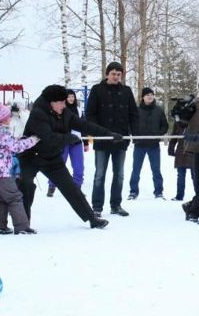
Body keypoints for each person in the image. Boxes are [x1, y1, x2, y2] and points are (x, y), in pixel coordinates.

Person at [18, 84, 118, 229]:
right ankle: (23, 223)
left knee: (71, 188)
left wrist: (108, 134)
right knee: (25, 185)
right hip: (31, 156)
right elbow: (48, 137)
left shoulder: (64, 113)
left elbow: (84, 125)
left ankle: (92, 219)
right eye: (62, 102)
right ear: (52, 102)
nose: (64, 105)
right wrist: (68, 138)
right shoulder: (38, 114)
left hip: (51, 157)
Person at [85, 62, 139, 216]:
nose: (116, 77)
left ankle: (116, 205)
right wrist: (97, 132)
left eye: (119, 74)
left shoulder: (126, 91)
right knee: (100, 174)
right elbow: (90, 114)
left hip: (121, 140)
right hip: (102, 140)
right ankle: (96, 207)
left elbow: (133, 115)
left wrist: (134, 135)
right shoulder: (97, 90)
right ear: (107, 74)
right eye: (113, 73)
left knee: (119, 174)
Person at [0, 99, 40, 234]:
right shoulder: (2, 133)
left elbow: (6, 145)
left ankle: (0, 226)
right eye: (7, 117)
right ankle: (22, 226)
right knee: (14, 197)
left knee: (1, 198)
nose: (9, 119)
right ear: (1, 120)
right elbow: (16, 147)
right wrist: (33, 140)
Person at [128, 87, 168, 200]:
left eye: (151, 94)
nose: (150, 96)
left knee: (156, 170)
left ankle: (159, 192)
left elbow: (165, 126)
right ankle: (133, 191)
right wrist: (135, 135)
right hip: (139, 145)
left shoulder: (159, 110)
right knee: (136, 169)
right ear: (142, 97)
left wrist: (158, 134)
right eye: (147, 95)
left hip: (154, 146)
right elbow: (130, 125)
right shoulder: (136, 110)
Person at [47, 89, 85, 197]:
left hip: (76, 141)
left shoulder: (78, 109)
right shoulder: (60, 109)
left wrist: (85, 142)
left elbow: (83, 125)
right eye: (69, 97)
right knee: (58, 164)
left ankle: (77, 188)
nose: (71, 98)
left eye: (72, 96)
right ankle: (52, 185)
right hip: (63, 142)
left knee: (79, 166)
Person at [167, 96, 195, 201]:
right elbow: (174, 135)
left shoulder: (194, 120)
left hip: (192, 150)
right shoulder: (178, 122)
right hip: (181, 151)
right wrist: (170, 148)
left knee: (194, 175)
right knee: (181, 175)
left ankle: (198, 195)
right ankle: (179, 195)